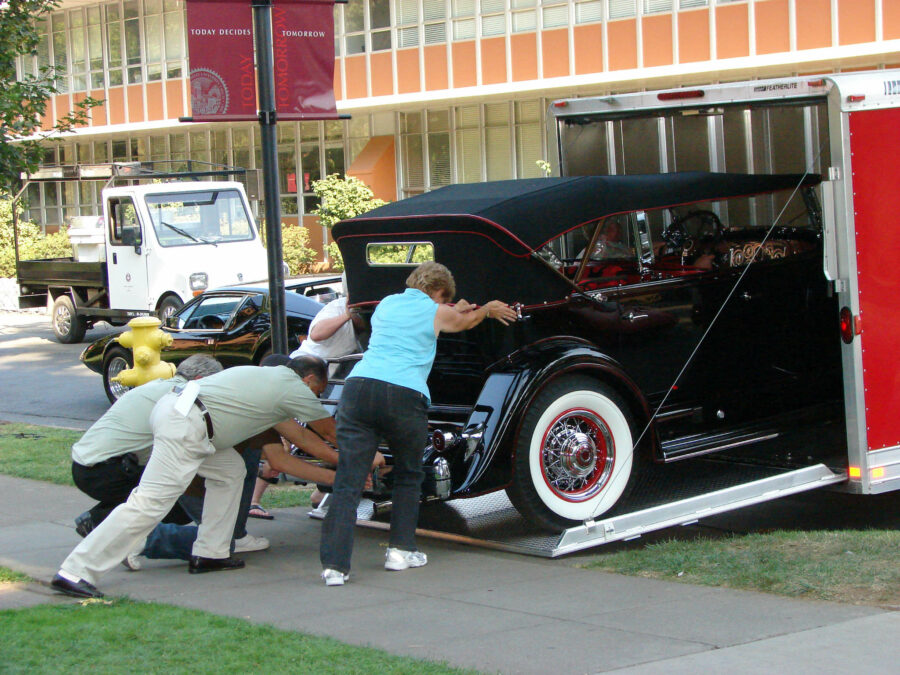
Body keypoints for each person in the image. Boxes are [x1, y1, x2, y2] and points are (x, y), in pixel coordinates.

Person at [51, 355, 332, 599]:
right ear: (307, 381)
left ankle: (211, 553)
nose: (315, 398)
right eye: (317, 392)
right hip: (185, 425)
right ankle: (76, 572)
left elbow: (302, 437)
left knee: (231, 471)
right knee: (149, 503)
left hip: (190, 422)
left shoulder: (269, 382)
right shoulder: (291, 388)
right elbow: (324, 434)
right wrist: (359, 459)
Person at [319, 261, 518, 586]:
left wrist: (458, 308)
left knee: (348, 481)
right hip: (403, 394)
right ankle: (400, 551)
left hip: (358, 390)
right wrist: (489, 309)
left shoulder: (385, 305)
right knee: (409, 475)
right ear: (440, 292)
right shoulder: (437, 312)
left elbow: (444, 312)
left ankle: (335, 567)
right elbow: (462, 322)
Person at [70, 354, 223, 537]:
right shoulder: (180, 397)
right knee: (177, 500)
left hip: (87, 464)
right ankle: (106, 526)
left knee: (158, 492)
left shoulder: (159, 386)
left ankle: (99, 520)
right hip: (106, 469)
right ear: (199, 380)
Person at [246, 291, 365, 517]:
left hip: (322, 380)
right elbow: (317, 333)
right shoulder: (337, 310)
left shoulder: (358, 331)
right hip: (304, 373)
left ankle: (320, 493)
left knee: (297, 436)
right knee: (282, 438)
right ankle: (253, 500)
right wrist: (347, 316)